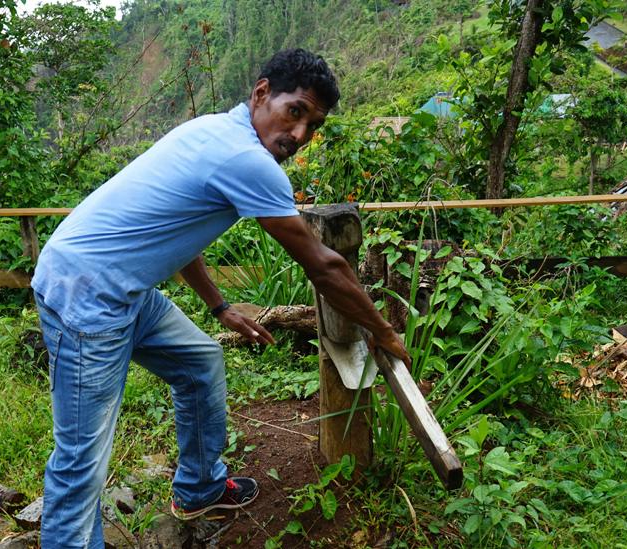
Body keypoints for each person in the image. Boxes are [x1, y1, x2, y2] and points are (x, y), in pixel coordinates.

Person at [31, 48, 411, 548]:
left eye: (312, 126)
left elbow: (180, 233)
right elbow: (324, 264)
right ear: (260, 93)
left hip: (125, 288)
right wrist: (383, 331)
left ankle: (199, 487)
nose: (299, 136)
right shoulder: (247, 160)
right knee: (82, 456)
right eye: (294, 111)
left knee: (199, 361)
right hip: (87, 294)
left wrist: (219, 308)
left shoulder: (213, 130)